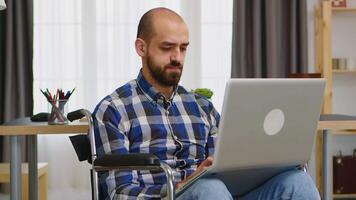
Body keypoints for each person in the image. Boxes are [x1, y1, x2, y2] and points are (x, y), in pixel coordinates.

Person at [93, 7, 320, 200]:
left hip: (216, 194)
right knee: (210, 188)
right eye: (167, 47)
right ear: (141, 48)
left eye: (183, 48)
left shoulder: (202, 107)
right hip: (172, 195)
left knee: (297, 182)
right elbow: (119, 192)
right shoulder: (113, 110)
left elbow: (224, 170)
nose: (177, 57)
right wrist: (180, 186)